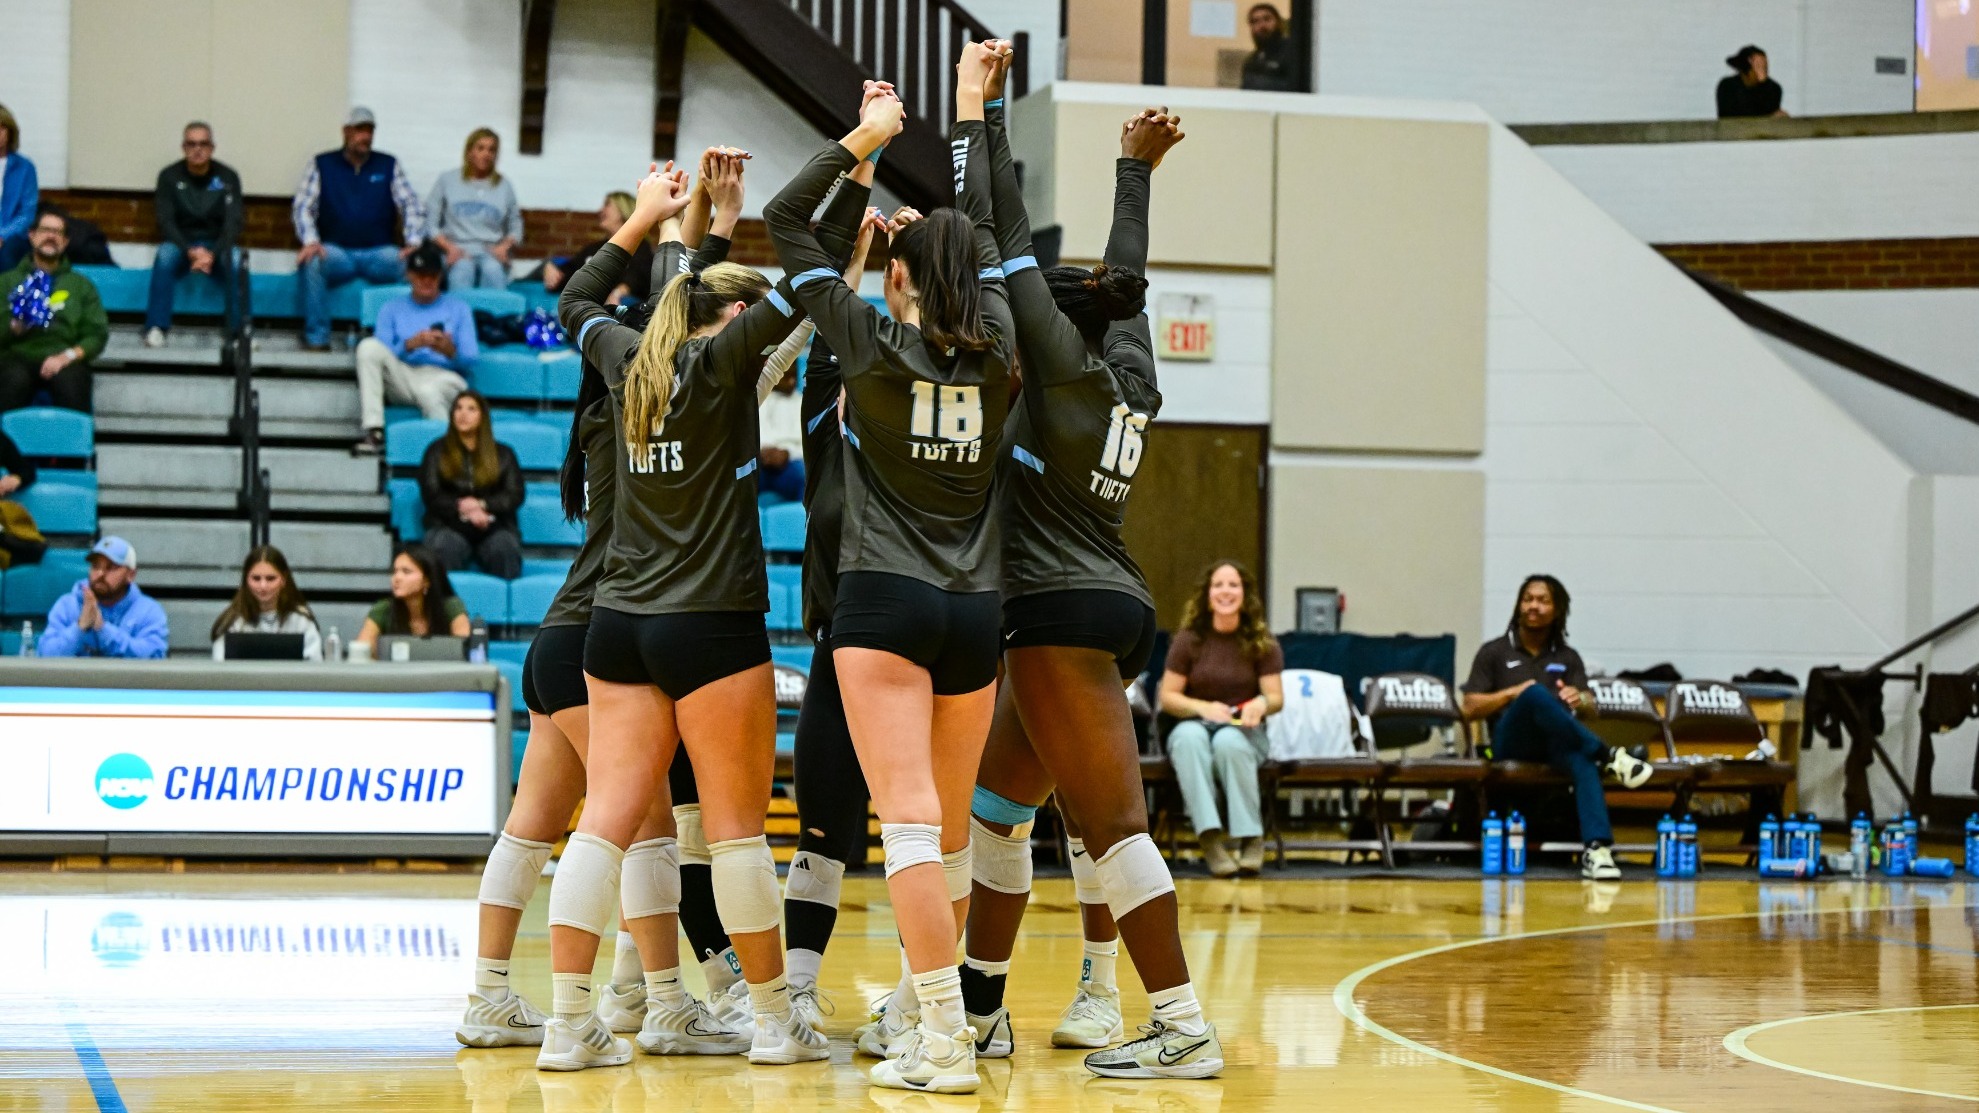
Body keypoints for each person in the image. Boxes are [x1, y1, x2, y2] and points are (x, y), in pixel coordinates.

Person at [954, 49, 1222, 1076]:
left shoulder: (1061, 368)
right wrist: (1131, 169)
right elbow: (1126, 284)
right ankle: (981, 1009)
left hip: (1059, 607)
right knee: (996, 810)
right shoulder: (1128, 376)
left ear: (1053, 320)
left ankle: (1180, 1024)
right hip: (1094, 595)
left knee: (1112, 828)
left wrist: (980, 113)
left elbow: (1002, 228)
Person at [459, 192, 760, 1059]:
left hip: (560, 638)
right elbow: (683, 319)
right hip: (611, 636)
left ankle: (490, 997)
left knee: (529, 829)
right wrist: (685, 233)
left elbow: (653, 308)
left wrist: (683, 227)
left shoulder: (603, 414)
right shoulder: (662, 403)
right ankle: (661, 998)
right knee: (644, 828)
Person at [767, 54, 1013, 1094]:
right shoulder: (1003, 347)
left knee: (905, 827)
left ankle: (945, 1040)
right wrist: (972, 121)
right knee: (947, 838)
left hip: (880, 603)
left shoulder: (868, 343)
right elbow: (991, 235)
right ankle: (923, 1024)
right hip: (974, 611)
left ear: (902, 279)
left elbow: (785, 223)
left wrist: (864, 143)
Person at [542, 155, 820, 1073]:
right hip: (712, 622)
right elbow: (803, 289)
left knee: (603, 825)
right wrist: (853, 168)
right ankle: (776, 1020)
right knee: (736, 831)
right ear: (724, 319)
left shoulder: (627, 362)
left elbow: (580, 296)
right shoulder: (726, 364)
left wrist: (662, 224)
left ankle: (566, 1024)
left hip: (618, 624)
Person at [1460, 574, 1653, 881]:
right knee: (1534, 693)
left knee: (1582, 759)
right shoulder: (1494, 652)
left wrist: (1582, 700)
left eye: (1543, 600)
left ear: (1558, 610)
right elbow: (1469, 708)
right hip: (1510, 743)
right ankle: (1610, 756)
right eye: (1528, 599)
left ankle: (1597, 850)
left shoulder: (1568, 657)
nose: (1533, 606)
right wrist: (1512, 693)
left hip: (1555, 746)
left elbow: (1590, 708)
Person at [1159, 561, 1285, 877]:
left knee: (1230, 741)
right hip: (1196, 724)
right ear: (1208, 594)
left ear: (1245, 594)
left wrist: (1260, 702)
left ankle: (1251, 838)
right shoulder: (1189, 639)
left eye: (1233, 585)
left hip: (1243, 729)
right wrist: (1202, 708)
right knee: (1188, 739)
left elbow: (1276, 697)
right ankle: (1210, 839)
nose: (1225, 592)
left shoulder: (1261, 641)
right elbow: (1169, 697)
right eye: (1218, 585)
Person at [293, 106, 428, 351]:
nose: (365, 136)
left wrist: (414, 242)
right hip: (337, 253)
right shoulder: (322, 164)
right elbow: (303, 206)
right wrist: (311, 241)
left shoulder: (388, 164)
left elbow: (412, 204)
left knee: (414, 266)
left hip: (380, 253)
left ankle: (406, 340)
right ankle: (317, 339)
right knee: (312, 262)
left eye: (369, 130)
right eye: (359, 130)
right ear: (346, 132)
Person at [352, 241, 474, 454]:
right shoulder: (391, 308)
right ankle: (374, 430)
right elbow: (381, 351)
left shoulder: (458, 308)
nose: (426, 281)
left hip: (443, 375)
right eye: (420, 275)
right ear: (409, 275)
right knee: (367, 346)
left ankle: (444, 454)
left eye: (432, 275)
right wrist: (409, 345)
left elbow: (471, 359)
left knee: (429, 391)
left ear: (440, 276)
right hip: (404, 374)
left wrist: (449, 351)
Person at [145, 121, 243, 347]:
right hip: (180, 245)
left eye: (203, 144)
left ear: (212, 147)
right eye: (191, 144)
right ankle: (156, 327)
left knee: (236, 260)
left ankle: (236, 332)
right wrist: (190, 251)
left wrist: (212, 254)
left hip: (217, 245)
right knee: (164, 256)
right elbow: (165, 222)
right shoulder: (168, 176)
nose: (197, 149)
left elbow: (234, 223)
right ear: (183, 147)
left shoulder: (228, 177)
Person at [1, 206, 108, 414]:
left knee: (73, 382)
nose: (51, 237)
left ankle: (78, 447)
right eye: (45, 230)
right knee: (12, 379)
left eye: (57, 233)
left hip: (63, 358)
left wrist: (66, 356)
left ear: (65, 242)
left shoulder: (81, 285)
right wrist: (14, 327)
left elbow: (96, 335)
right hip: (16, 356)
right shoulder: (6, 282)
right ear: (32, 236)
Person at [419, 390, 523, 579]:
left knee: (504, 548)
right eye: (458, 408)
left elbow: (514, 494)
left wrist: (482, 505)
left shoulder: (504, 454)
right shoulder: (436, 451)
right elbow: (431, 494)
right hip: (448, 524)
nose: (463, 414)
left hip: (494, 525)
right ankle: (449, 608)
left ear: (482, 416)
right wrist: (462, 508)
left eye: (471, 409)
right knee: (444, 547)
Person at [37, 536, 169, 659]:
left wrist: (103, 629)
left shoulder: (149, 611)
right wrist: (79, 628)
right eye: (96, 566)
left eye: (111, 567)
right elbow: (45, 655)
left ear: (131, 575)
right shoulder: (67, 605)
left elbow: (153, 657)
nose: (100, 574)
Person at [429, 128, 523, 291]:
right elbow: (430, 224)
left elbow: (516, 225)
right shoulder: (448, 180)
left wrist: (504, 247)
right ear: (469, 152)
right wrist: (449, 248)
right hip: (457, 248)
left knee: (493, 271)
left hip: (490, 250)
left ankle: (498, 317)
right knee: (463, 270)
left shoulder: (504, 185)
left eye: (491, 150)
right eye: (480, 148)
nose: (486, 154)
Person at [353, 544, 472, 655]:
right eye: (395, 571)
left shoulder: (451, 607)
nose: (397, 578)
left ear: (427, 580)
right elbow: (361, 652)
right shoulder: (383, 609)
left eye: (406, 572)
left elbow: (465, 650)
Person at [209, 545, 321, 660]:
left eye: (270, 578)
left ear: (283, 579)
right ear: (246, 580)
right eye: (256, 578)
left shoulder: (301, 621)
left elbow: (314, 667)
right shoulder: (232, 622)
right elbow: (220, 671)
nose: (263, 586)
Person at [542, 193, 649, 307]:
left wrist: (619, 293)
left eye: (607, 204)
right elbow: (572, 270)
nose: (600, 210)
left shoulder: (639, 246)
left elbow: (638, 277)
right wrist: (551, 269)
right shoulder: (594, 248)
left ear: (623, 210)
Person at [0, 103, 40, 273]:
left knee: (7, 255)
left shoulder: (24, 168)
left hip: (12, 237)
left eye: (1, 128)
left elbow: (27, 214)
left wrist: (3, 235)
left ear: (10, 133)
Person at [757, 363, 804, 502]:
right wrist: (765, 452)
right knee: (738, 478)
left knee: (806, 477)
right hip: (762, 462)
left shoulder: (801, 402)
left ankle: (805, 521)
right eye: (787, 376)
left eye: (794, 376)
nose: (792, 381)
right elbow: (753, 435)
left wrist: (786, 453)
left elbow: (807, 442)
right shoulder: (759, 399)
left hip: (790, 463)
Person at [1241, 4, 1301, 92]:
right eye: (1255, 21)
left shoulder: (1293, 51)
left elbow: (1297, 87)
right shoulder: (1251, 61)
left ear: (1278, 23)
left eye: (1267, 19)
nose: (1262, 25)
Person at [1718, 45, 1786, 119]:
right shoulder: (1728, 86)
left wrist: (1763, 84)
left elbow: (1769, 110)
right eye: (1758, 66)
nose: (1762, 71)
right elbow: (1730, 117)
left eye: (1764, 67)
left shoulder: (1773, 88)